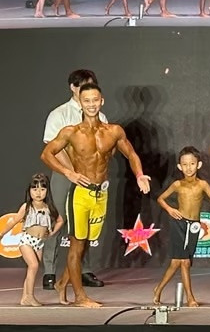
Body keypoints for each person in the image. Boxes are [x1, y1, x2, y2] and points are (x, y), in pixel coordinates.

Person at [40, 82, 152, 307]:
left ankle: (63, 284)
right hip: (80, 194)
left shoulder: (114, 131)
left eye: (95, 100)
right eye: (87, 101)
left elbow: (131, 153)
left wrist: (140, 175)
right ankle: (80, 297)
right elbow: (46, 154)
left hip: (101, 194)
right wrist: (68, 173)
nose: (91, 105)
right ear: (80, 103)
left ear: (102, 101)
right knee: (76, 245)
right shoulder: (71, 132)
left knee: (85, 245)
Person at [40, 69, 107, 291]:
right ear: (73, 87)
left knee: (85, 224)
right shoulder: (59, 114)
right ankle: (50, 271)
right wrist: (72, 172)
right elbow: (52, 149)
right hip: (64, 175)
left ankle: (83, 270)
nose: (88, 92)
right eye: (83, 86)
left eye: (92, 87)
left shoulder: (100, 116)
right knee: (60, 219)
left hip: (90, 180)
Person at [153, 146, 210, 307]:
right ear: (179, 167)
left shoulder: (203, 185)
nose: (188, 168)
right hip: (179, 224)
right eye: (185, 164)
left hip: (194, 226)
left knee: (176, 263)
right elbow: (160, 199)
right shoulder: (177, 184)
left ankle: (158, 289)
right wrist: (170, 209)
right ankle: (190, 298)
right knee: (185, 262)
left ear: (198, 165)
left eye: (192, 164)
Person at [0, 174, 64, 306]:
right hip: (27, 241)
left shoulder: (48, 207)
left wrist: (52, 232)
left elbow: (60, 220)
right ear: (29, 190)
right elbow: (13, 221)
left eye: (42, 189)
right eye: (35, 189)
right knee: (33, 265)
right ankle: (30, 296)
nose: (38, 193)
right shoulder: (27, 207)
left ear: (47, 191)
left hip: (39, 243)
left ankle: (25, 297)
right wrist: (1, 233)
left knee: (33, 269)